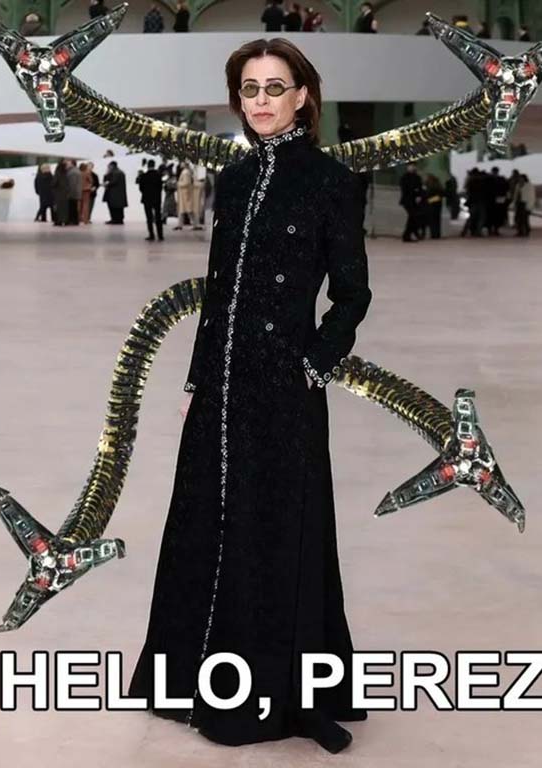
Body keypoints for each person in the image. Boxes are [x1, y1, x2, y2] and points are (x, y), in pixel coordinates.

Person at [127, 36, 372, 754]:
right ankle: (191, 679)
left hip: (284, 388)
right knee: (203, 524)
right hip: (222, 386)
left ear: (303, 96)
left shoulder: (330, 181)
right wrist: (196, 379)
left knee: (276, 533)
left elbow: (352, 294)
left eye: (275, 87)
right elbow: (219, 296)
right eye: (250, 88)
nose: (261, 100)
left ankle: (275, 696)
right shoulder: (233, 181)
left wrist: (314, 364)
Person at [137, 159, 164, 241]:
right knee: (158, 217)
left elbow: (141, 188)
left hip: (147, 198)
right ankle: (160, 235)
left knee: (149, 217)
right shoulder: (158, 175)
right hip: (157, 198)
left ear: (148, 166)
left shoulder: (144, 176)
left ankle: (151, 234)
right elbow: (160, 187)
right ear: (154, 165)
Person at [399, 163, 424, 242]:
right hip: (407, 200)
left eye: (413, 166)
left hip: (415, 201)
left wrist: (419, 195)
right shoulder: (405, 177)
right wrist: (415, 191)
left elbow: (419, 188)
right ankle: (408, 234)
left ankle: (408, 234)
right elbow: (405, 189)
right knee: (412, 216)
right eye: (411, 166)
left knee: (413, 217)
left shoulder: (417, 177)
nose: (412, 167)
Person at [175, 160, 194, 229]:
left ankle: (194, 224)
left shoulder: (185, 172)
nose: (180, 164)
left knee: (188, 210)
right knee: (183, 210)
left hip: (185, 193)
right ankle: (180, 225)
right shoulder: (186, 172)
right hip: (184, 193)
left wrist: (178, 184)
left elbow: (186, 183)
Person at [424, 173, 444, 239]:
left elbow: (427, 195)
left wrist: (429, 201)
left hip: (431, 205)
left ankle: (434, 234)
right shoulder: (439, 186)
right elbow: (441, 195)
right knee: (437, 220)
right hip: (438, 204)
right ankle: (437, 234)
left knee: (432, 220)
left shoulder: (430, 186)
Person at [52, 159, 69, 226]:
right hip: (65, 193)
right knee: (64, 208)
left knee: (58, 208)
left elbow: (54, 183)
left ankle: (58, 221)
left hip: (58, 193)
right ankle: (64, 220)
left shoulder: (57, 173)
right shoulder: (66, 173)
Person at [66, 159, 82, 225]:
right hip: (75, 192)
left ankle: (73, 221)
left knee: (72, 207)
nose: (67, 165)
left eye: (68, 163)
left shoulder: (72, 172)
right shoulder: (75, 171)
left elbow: (72, 184)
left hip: (72, 193)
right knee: (74, 207)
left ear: (72, 164)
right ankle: (74, 221)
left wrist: (68, 193)